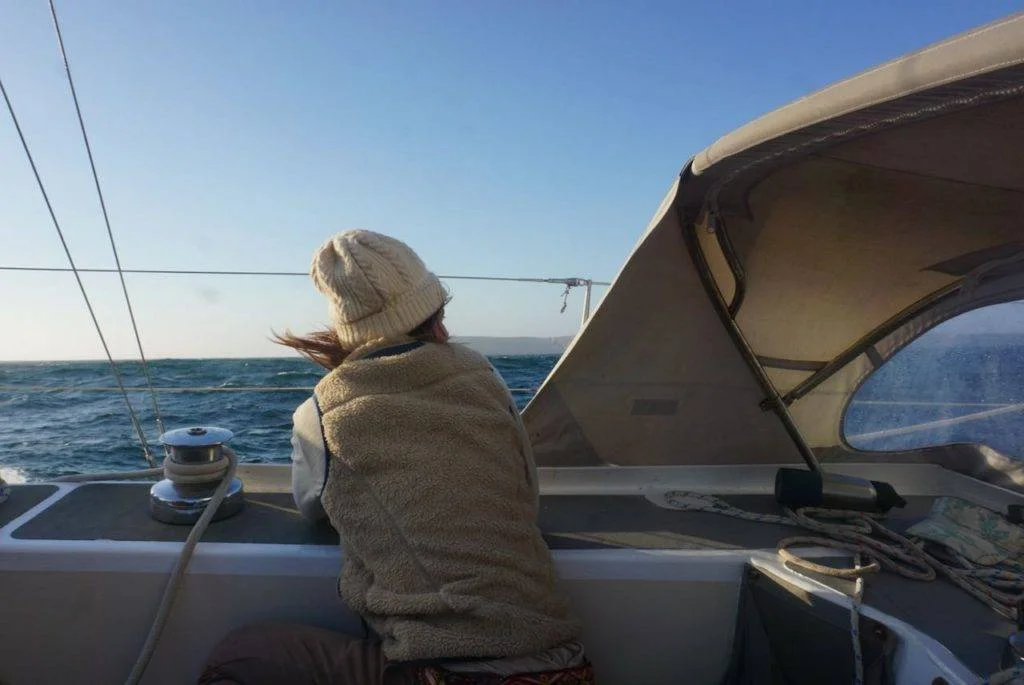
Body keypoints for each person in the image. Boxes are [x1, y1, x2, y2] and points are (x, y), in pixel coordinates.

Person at [199, 230, 592, 684]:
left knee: (241, 656)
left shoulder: (322, 411)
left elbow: (312, 507)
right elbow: (526, 493)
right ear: (435, 314)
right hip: (563, 665)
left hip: (444, 673)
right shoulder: (486, 378)